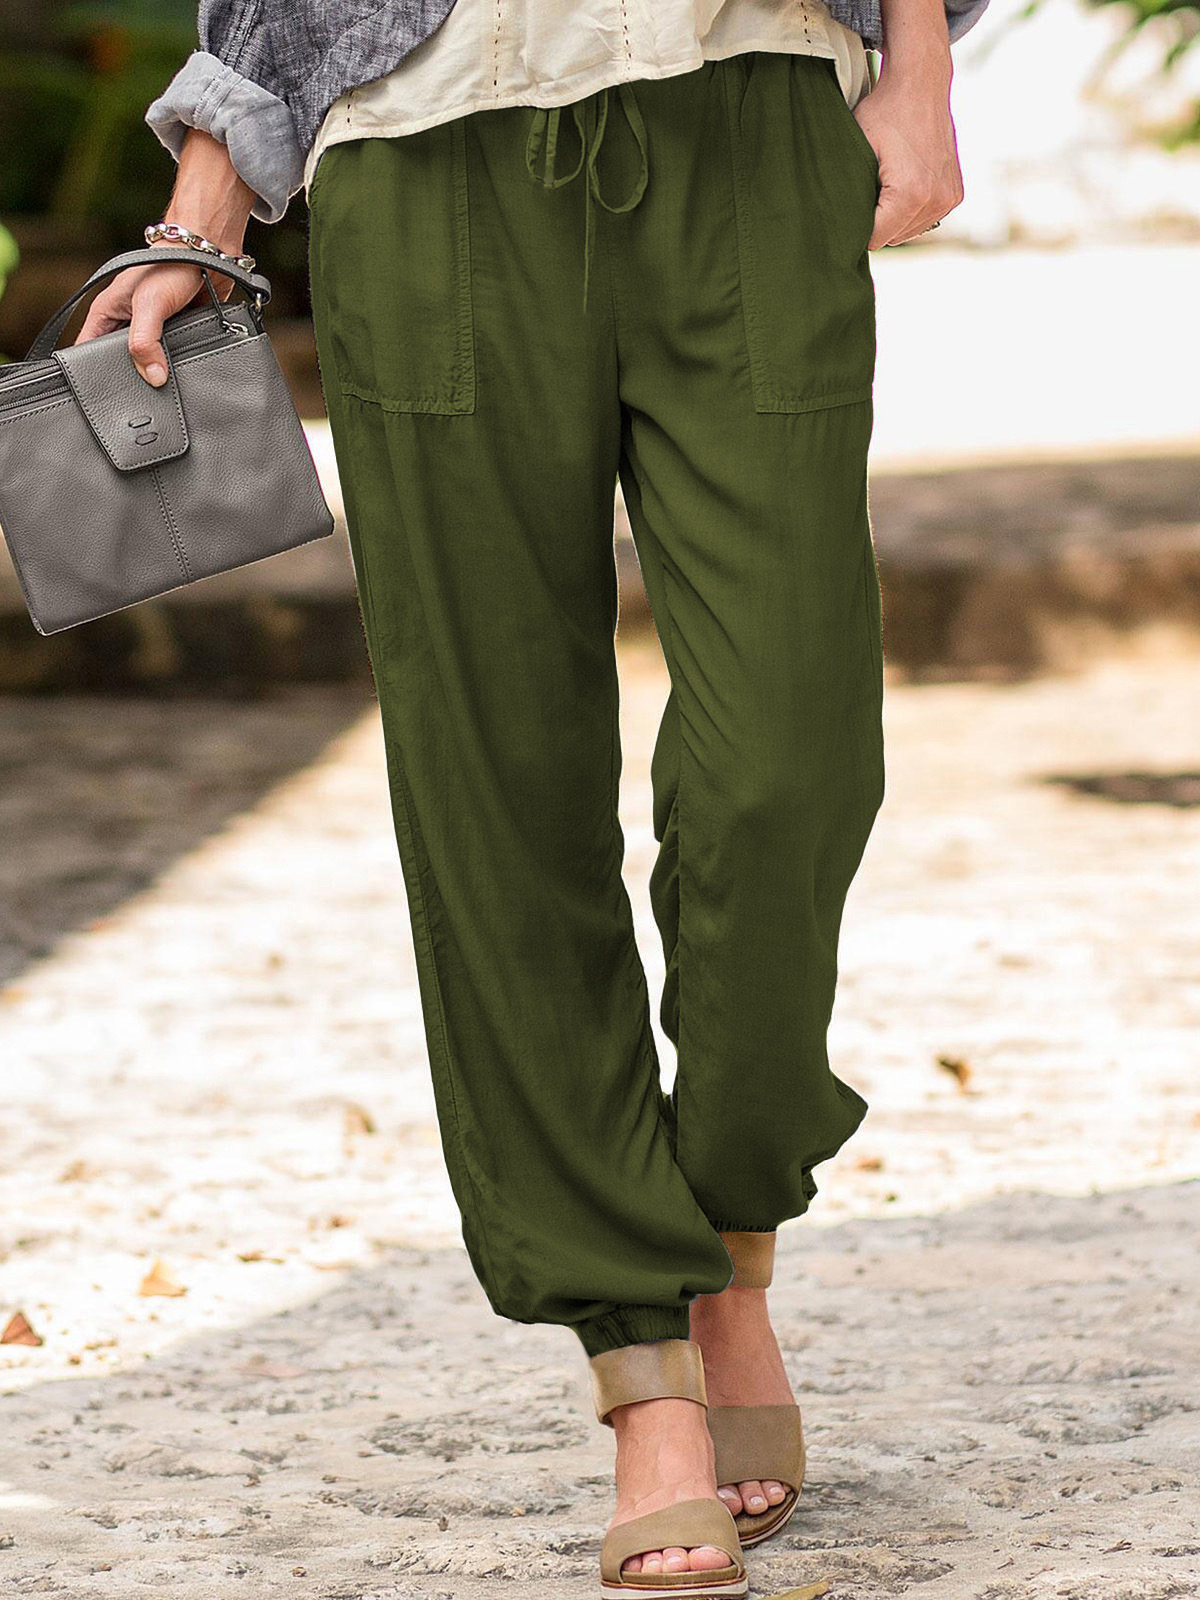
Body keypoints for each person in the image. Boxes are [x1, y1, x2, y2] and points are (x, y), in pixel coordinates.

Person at [77, 0, 987, 1592]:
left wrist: (921, 64)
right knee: (497, 781)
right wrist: (204, 204)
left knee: (790, 762)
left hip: (749, 104)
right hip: (427, 145)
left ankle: (730, 1227)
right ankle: (645, 1364)